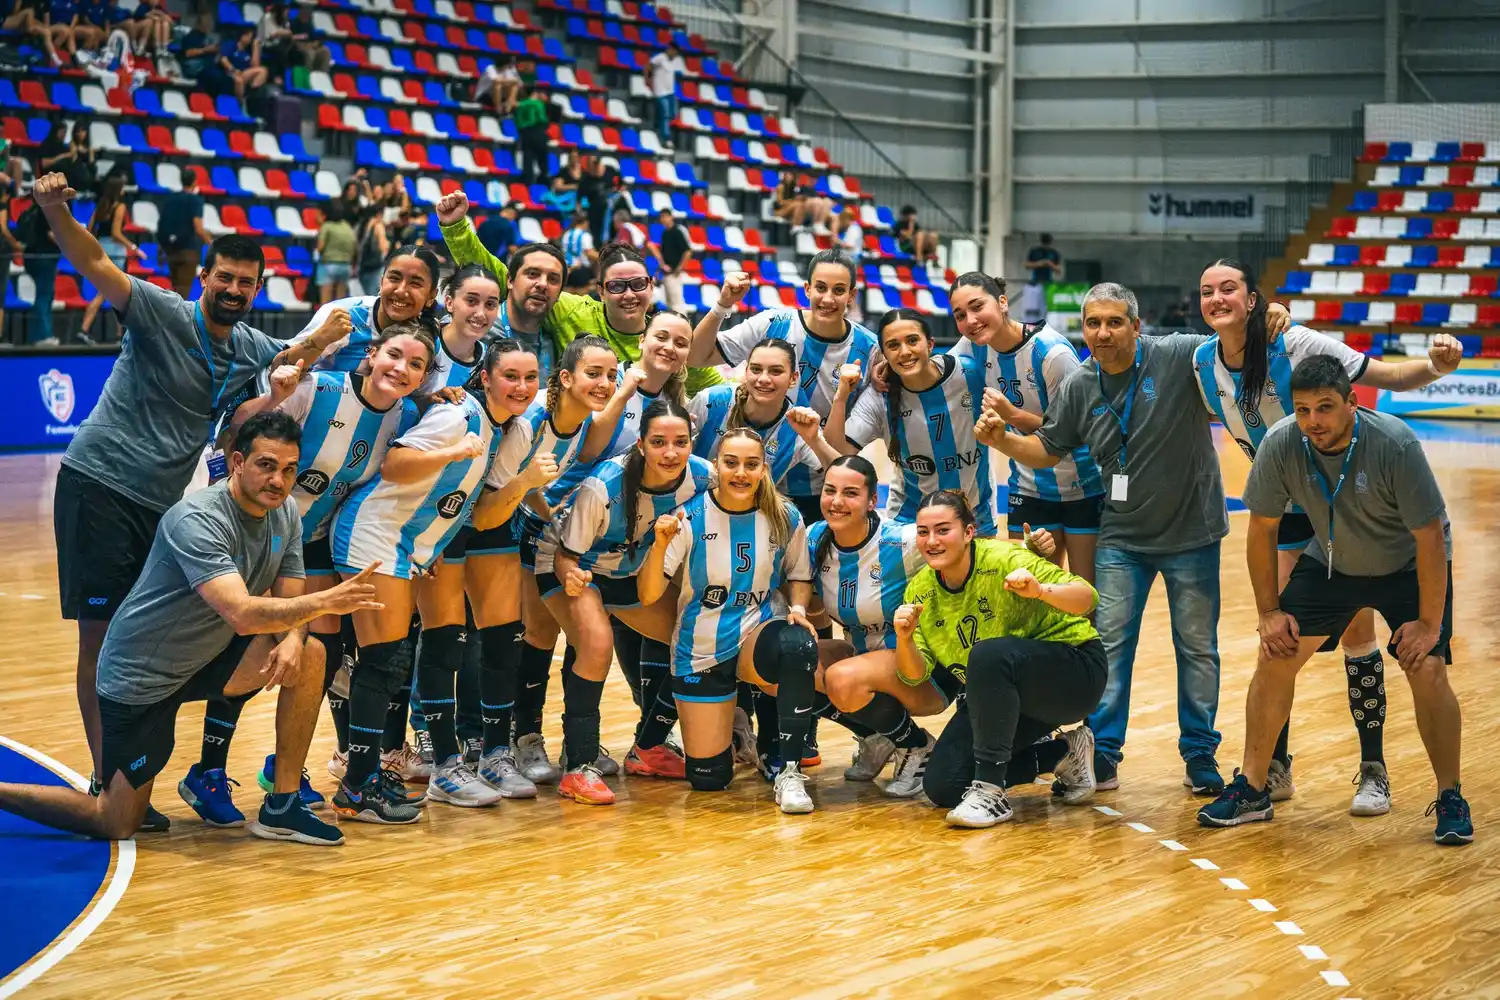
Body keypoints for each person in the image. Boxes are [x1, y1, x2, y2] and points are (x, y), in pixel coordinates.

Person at [35, 171, 344, 831]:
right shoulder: (158, 308)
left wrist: (320, 344)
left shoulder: (252, 348)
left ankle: (129, 771)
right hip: (99, 482)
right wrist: (57, 211)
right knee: (103, 634)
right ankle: (103, 774)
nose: (233, 290)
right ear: (203, 276)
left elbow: (291, 359)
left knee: (145, 628)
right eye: (223, 277)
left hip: (159, 502)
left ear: (257, 290)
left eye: (246, 282)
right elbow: (92, 260)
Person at [0, 413, 387, 844]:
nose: (278, 480)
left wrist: (294, 638)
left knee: (311, 653)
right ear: (237, 462)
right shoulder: (198, 519)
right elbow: (241, 612)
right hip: (143, 677)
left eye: (289, 469)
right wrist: (325, 601)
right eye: (266, 465)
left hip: (209, 658)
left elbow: (287, 597)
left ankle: (282, 805)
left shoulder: (287, 515)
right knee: (115, 822)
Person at [1193, 258, 1465, 811]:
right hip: (1286, 493)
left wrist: (1435, 369)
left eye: (1230, 289)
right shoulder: (1199, 359)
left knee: (1359, 632)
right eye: (1206, 292)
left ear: (1253, 299)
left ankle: (1373, 768)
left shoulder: (1294, 341)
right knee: (1279, 640)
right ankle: (1272, 770)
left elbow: (1383, 377)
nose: (1217, 299)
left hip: (1339, 494)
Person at [975, 282, 1227, 794]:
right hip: (1122, 538)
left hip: (1193, 533)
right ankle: (1104, 752)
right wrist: (1003, 440)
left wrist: (1273, 316)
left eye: (1115, 322)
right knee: (1109, 646)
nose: (1103, 333)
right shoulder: (1081, 384)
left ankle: (1200, 753)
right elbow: (1048, 449)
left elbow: (1236, 348)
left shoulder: (1178, 354)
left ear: (1136, 325)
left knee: (1197, 649)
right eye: (1093, 323)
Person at [180, 324, 436, 822]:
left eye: (416, 364)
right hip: (250, 537)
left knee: (317, 654)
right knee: (249, 650)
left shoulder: (405, 416)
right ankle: (208, 770)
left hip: (310, 543)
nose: (400, 369)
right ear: (371, 356)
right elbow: (236, 439)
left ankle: (285, 768)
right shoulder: (318, 390)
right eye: (393, 355)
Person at [328, 339, 549, 821]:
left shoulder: (503, 428)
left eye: (530, 378)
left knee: (385, 661)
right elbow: (394, 464)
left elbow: (477, 510)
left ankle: (363, 779)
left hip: (407, 544)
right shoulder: (459, 417)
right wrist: (452, 450)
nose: (522, 386)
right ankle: (357, 784)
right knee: (382, 661)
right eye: (510, 375)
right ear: (485, 377)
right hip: (375, 533)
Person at [637, 428, 824, 814]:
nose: (741, 473)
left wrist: (799, 609)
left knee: (797, 645)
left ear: (764, 469)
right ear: (716, 466)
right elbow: (649, 595)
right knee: (709, 779)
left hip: (757, 632)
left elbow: (799, 576)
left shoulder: (785, 515)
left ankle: (787, 768)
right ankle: (736, 724)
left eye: (751, 464)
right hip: (701, 647)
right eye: (731, 463)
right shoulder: (689, 516)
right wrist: (658, 546)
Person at [892, 491, 1104, 828]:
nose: (931, 541)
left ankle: (990, 792)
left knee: (988, 654)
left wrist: (1040, 591)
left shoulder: (1005, 559)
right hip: (1005, 697)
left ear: (969, 532)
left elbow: (1087, 598)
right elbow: (914, 675)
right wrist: (904, 639)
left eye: (943, 530)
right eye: (923, 532)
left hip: (1074, 674)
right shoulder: (919, 591)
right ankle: (1064, 753)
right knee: (943, 785)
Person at [535, 398, 710, 785]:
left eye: (680, 442)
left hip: (629, 573)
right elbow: (566, 556)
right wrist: (572, 579)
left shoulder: (703, 477)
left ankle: (648, 748)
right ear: (641, 444)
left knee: (695, 641)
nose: (670, 452)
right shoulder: (604, 484)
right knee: (597, 645)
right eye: (658, 442)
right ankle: (579, 766)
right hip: (571, 566)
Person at [437, 190, 723, 394]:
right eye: (616, 286)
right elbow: (506, 278)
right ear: (600, 290)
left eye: (637, 284)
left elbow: (717, 389)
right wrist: (456, 227)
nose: (629, 295)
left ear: (651, 286)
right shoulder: (571, 311)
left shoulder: (665, 342)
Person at [688, 251, 876, 521]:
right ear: (807, 289)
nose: (828, 298)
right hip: (753, 482)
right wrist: (722, 306)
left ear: (851, 295)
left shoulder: (869, 350)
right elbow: (696, 357)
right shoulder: (773, 323)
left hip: (816, 488)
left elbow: (842, 455)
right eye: (820, 288)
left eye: (839, 290)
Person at [948, 272, 1104, 582]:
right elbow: (935, 373)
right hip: (1029, 487)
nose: (971, 319)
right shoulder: (973, 346)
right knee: (1030, 595)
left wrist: (1013, 416)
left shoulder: (1052, 354)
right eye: (960, 314)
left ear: (1003, 302)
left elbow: (1075, 432)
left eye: (978, 306)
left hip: (1082, 486)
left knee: (1084, 599)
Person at [811, 457, 948, 795]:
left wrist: (1034, 553)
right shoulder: (815, 538)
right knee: (790, 663)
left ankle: (918, 745)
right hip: (865, 660)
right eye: (830, 491)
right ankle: (880, 737)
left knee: (840, 678)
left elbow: (967, 551)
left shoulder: (901, 542)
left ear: (873, 501)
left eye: (851, 493)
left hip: (921, 669)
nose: (837, 501)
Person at [825, 308, 995, 535]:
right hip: (910, 525)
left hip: (975, 517)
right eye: (893, 345)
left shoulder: (970, 373)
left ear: (930, 344)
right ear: (884, 354)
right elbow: (836, 451)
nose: (904, 352)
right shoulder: (879, 397)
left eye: (913, 340)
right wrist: (841, 396)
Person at [689, 338, 839, 497]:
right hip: (690, 508)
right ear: (746, 372)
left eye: (776, 371)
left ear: (793, 379)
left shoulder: (797, 426)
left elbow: (844, 475)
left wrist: (814, 440)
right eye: (756, 369)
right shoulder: (711, 400)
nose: (764, 379)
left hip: (750, 515)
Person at [289, 244, 442, 373]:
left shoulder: (430, 333)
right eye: (394, 278)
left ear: (431, 296)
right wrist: (320, 339)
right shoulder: (342, 313)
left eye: (415, 283)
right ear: (381, 282)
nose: (401, 290)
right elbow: (283, 366)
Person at [79, 171, 141, 342]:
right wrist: (134, 247)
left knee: (116, 295)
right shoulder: (119, 206)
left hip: (100, 250)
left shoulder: (101, 205)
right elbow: (116, 233)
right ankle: (85, 329)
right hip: (115, 251)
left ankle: (118, 335)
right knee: (108, 293)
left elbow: (90, 229)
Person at [158, 168, 210, 299]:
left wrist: (161, 248)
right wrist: (211, 242)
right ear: (194, 182)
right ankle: (176, 319)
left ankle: (171, 318)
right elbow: (198, 228)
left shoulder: (170, 199)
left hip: (170, 250)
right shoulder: (195, 200)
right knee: (182, 293)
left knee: (175, 289)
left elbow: (163, 223)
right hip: (188, 251)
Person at [315, 202, 356, 305]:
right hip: (346, 267)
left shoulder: (327, 226)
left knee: (325, 304)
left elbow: (320, 247)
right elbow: (354, 246)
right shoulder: (347, 226)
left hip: (329, 265)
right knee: (340, 304)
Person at [647, 41, 685, 144]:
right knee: (665, 113)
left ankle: (657, 124)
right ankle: (666, 137)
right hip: (660, 92)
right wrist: (648, 80)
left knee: (673, 114)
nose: (675, 54)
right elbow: (649, 66)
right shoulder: (660, 58)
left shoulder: (674, 61)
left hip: (670, 92)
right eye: (674, 52)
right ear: (670, 49)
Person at [513, 87, 551, 187]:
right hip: (537, 131)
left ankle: (527, 183)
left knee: (527, 159)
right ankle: (544, 180)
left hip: (525, 133)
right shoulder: (538, 104)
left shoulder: (520, 105)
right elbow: (542, 119)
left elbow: (518, 121)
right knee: (542, 158)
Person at [656, 208, 691, 313]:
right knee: (669, 304)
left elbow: (687, 251)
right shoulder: (664, 234)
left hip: (674, 274)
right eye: (661, 217)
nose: (663, 219)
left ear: (671, 217)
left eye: (665, 216)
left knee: (677, 304)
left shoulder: (677, 232)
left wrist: (679, 267)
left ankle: (684, 326)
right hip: (666, 273)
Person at [353, 206, 388, 299]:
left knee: (366, 297)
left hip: (361, 267)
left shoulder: (360, 226)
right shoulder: (378, 226)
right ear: (378, 215)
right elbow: (383, 246)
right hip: (375, 266)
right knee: (374, 298)